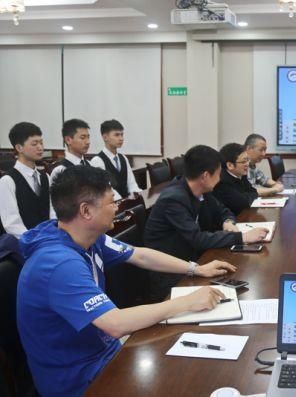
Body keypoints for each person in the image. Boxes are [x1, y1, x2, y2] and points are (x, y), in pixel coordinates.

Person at [16, 166, 237, 397]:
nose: (118, 207)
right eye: (112, 202)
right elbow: (116, 324)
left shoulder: (88, 238)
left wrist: (196, 268)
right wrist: (186, 302)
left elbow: (140, 255)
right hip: (78, 378)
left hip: (103, 351)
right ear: (86, 211)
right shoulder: (58, 263)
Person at [144, 145, 267, 301]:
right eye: (218, 173)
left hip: (193, 260)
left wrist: (227, 221)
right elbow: (198, 239)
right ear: (206, 176)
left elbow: (223, 210)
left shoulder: (200, 189)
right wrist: (242, 237)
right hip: (171, 273)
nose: (220, 177)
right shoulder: (173, 199)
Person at [0, 122, 56, 238]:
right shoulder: (7, 181)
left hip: (48, 240)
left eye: (41, 143)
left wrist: (52, 236)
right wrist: (35, 241)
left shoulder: (45, 177)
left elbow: (53, 212)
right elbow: (12, 224)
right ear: (19, 147)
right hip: (24, 245)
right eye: (34, 144)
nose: (40, 148)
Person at [90, 119, 141, 200]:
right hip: (112, 206)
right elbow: (106, 190)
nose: (121, 138)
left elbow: (132, 184)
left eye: (122, 135)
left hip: (127, 203)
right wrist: (124, 201)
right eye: (117, 135)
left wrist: (136, 194)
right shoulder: (97, 161)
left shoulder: (123, 158)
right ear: (105, 137)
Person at [213, 143, 259, 215]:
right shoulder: (222, 182)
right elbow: (243, 204)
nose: (247, 164)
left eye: (247, 160)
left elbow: (254, 192)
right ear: (230, 165)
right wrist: (246, 196)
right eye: (244, 161)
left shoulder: (241, 174)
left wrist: (245, 196)